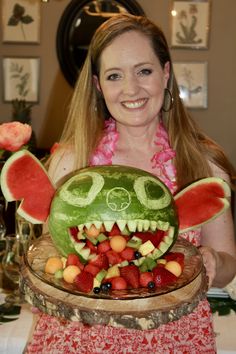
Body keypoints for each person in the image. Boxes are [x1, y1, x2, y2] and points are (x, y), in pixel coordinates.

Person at [26, 13, 236, 353]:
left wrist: (214, 260)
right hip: (79, 341)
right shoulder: (71, 163)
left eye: (144, 70)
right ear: (98, 85)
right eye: (114, 76)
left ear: (165, 73)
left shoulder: (204, 164)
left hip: (176, 341)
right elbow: (55, 263)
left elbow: (228, 265)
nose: (131, 89)